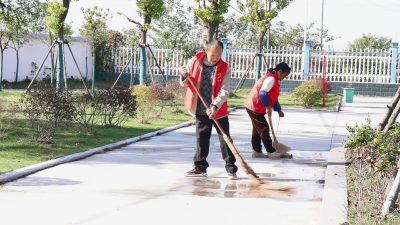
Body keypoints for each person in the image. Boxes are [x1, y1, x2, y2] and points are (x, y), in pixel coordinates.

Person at [180, 40, 238, 180]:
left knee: (225, 138)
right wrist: (183, 75)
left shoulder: (225, 68)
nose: (215, 58)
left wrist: (214, 106)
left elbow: (224, 90)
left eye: (219, 55)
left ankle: (231, 169)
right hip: (200, 107)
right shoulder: (194, 61)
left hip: (218, 109)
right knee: (201, 138)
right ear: (206, 51)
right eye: (213, 55)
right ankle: (200, 168)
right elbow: (185, 83)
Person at [244, 62, 292, 159]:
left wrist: (278, 110)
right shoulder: (270, 79)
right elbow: (263, 94)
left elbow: (272, 97)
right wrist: (267, 107)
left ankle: (257, 151)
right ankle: (271, 151)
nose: (284, 77)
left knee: (257, 130)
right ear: (280, 71)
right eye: (284, 75)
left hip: (256, 106)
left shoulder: (274, 79)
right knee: (264, 128)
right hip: (254, 106)